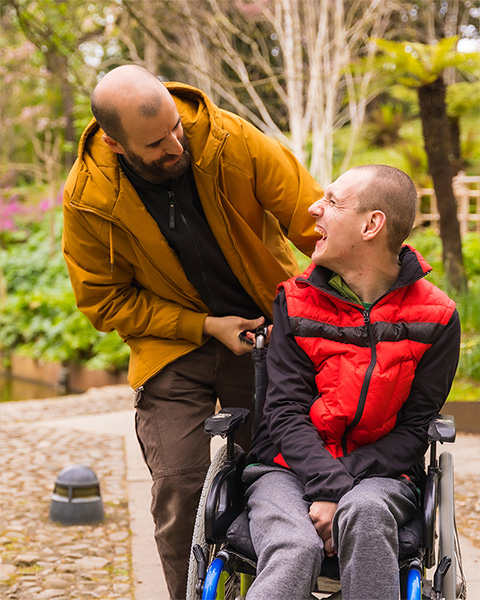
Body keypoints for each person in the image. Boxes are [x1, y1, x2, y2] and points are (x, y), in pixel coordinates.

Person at [62, 64, 322, 599]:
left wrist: (366, 281)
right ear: (115, 143)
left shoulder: (229, 140)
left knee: (270, 477)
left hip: (265, 331)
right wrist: (202, 325)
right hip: (172, 347)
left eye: (176, 128)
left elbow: (314, 220)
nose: (175, 146)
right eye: (156, 144)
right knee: (181, 487)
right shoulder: (87, 199)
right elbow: (104, 300)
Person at [244, 164, 461, 600]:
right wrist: (328, 485)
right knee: (294, 545)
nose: (313, 208)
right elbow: (284, 411)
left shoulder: (436, 317)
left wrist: (340, 486)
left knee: (365, 511)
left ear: (371, 224)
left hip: (381, 474)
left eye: (332, 201)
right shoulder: (295, 300)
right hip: (284, 469)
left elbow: (416, 428)